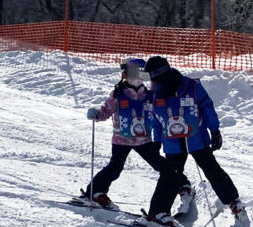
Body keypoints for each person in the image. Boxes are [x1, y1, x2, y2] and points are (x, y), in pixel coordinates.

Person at [142, 56, 252, 227]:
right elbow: (155, 119)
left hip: (196, 140)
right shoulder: (156, 94)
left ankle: (234, 202)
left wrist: (215, 130)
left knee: (213, 170)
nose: (151, 83)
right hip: (172, 144)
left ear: (162, 75)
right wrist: (156, 142)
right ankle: (158, 213)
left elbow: (207, 106)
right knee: (170, 175)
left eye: (153, 78)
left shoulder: (191, 87)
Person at [76, 57, 192, 209]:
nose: (137, 78)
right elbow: (106, 111)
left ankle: (182, 184)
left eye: (140, 74)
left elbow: (160, 112)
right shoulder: (117, 94)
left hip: (143, 139)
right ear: (125, 75)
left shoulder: (150, 95)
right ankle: (94, 192)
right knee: (114, 168)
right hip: (121, 139)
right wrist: (97, 114)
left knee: (159, 163)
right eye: (133, 74)